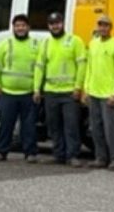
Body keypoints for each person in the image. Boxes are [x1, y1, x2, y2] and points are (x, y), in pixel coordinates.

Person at [34, 12, 87, 167]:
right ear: (48, 26)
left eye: (57, 23)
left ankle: (73, 156)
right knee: (53, 126)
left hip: (69, 92)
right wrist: (37, 88)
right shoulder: (45, 43)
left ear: (62, 24)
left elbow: (82, 65)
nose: (54, 26)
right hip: (51, 92)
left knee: (71, 126)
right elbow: (39, 66)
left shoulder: (74, 41)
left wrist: (78, 87)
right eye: (51, 24)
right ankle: (58, 155)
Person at [0, 14, 39, 163]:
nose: (20, 28)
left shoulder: (36, 45)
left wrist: (37, 89)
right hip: (7, 92)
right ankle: (1, 151)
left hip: (28, 93)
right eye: (17, 26)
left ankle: (30, 153)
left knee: (29, 125)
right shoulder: (5, 44)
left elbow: (39, 68)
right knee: (5, 124)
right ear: (13, 28)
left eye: (23, 25)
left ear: (28, 27)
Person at [85, 15, 114, 171]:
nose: (103, 28)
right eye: (100, 25)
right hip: (94, 92)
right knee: (95, 128)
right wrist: (86, 88)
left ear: (111, 28)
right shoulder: (93, 44)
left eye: (106, 26)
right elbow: (89, 67)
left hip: (108, 94)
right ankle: (100, 157)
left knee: (110, 128)